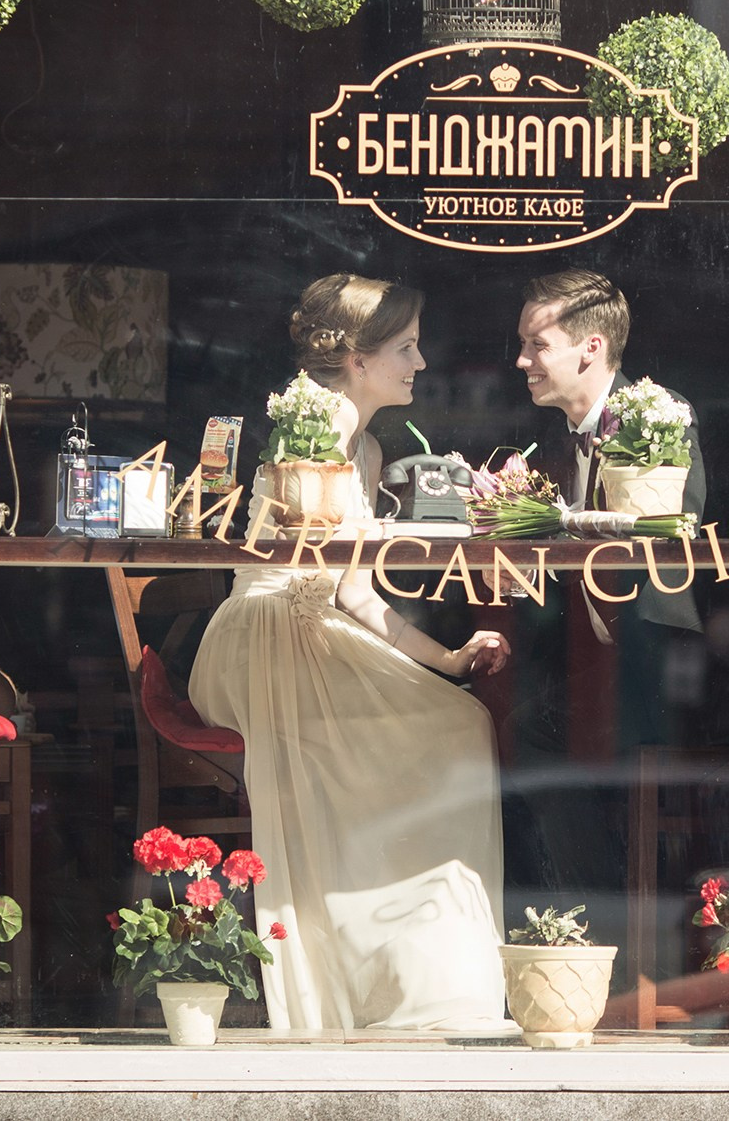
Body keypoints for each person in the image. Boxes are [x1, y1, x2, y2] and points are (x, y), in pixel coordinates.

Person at [189, 274, 514, 1035]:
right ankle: (390, 973)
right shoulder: (320, 423)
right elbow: (324, 580)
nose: (421, 361)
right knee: (444, 732)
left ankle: (415, 966)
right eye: (405, 346)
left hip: (317, 628)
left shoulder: (362, 443)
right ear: (359, 360)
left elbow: (360, 594)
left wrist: (449, 659)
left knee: (456, 718)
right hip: (270, 636)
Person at [515, 269, 707, 631]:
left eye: (537, 345)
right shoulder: (551, 430)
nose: (521, 360)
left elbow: (676, 536)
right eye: (523, 343)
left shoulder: (655, 417)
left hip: (654, 641)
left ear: (592, 347)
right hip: (584, 648)